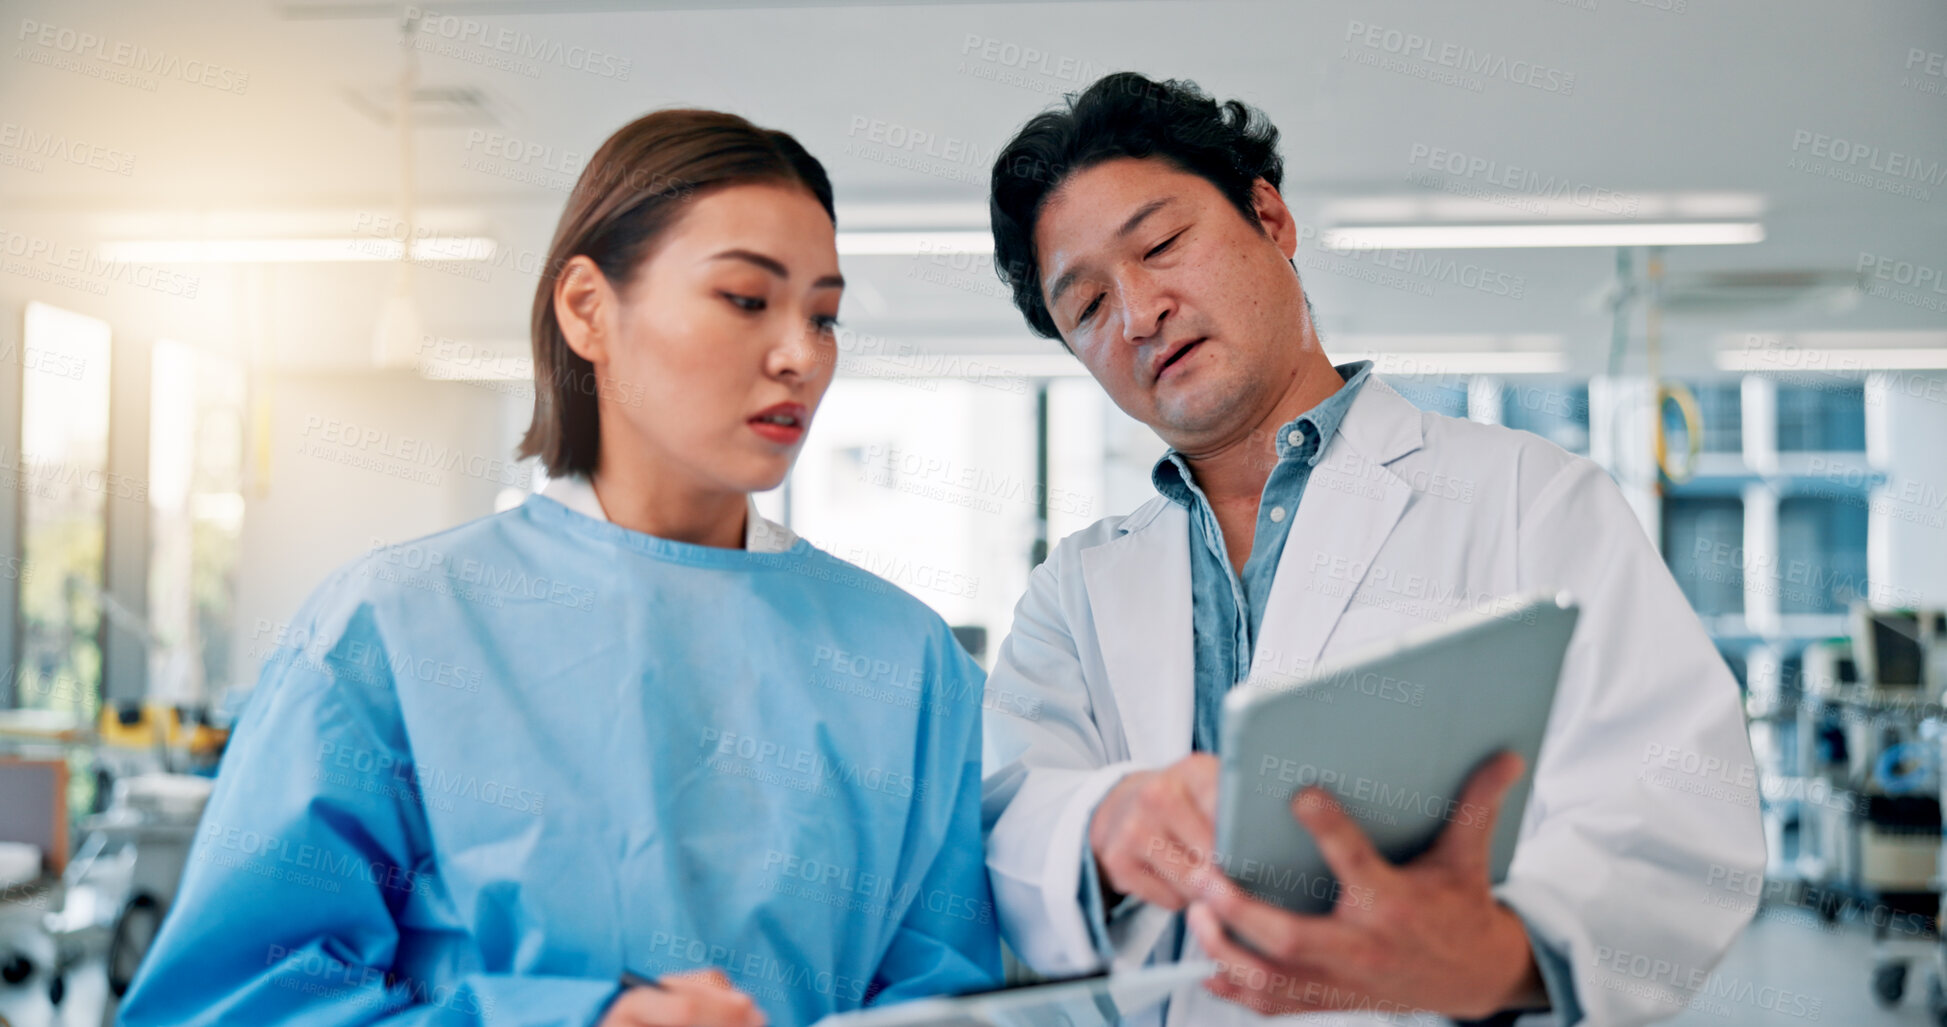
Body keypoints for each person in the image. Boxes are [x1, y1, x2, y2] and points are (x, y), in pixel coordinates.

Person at [121, 109, 1000, 1027]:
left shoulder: (907, 663)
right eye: (747, 298)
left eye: (823, 316)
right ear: (587, 308)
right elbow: (229, 1004)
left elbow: (947, 998)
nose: (800, 356)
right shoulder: (397, 625)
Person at [978, 72, 1765, 1026]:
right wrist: (1099, 826)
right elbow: (1006, 818)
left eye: (1161, 244)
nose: (1139, 312)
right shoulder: (1074, 593)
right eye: (1088, 306)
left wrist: (1495, 957)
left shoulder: (1532, 500)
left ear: (1269, 218)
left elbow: (1679, 803)